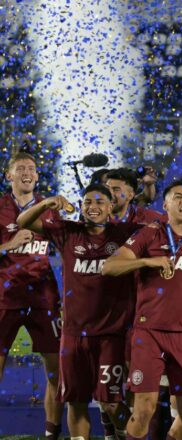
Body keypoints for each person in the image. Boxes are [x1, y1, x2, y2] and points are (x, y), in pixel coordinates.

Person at [17, 184, 142, 440]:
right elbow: (23, 221)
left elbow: (160, 228)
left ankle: (128, 435)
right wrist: (45, 203)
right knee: (76, 401)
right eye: (87, 202)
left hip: (111, 335)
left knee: (110, 402)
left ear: (110, 208)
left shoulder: (125, 234)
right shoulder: (67, 231)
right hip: (73, 335)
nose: (92, 207)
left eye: (99, 202)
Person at [102, 180, 182, 440]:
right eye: (177, 197)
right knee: (143, 410)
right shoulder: (150, 233)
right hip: (149, 333)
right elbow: (110, 266)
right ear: (165, 205)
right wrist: (148, 261)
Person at [0, 152, 63, 440]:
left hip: (43, 298)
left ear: (37, 176)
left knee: (55, 371)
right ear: (8, 176)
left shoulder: (49, 208)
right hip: (6, 297)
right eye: (20, 168)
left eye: (32, 168)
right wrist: (7, 246)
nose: (27, 172)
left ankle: (52, 433)